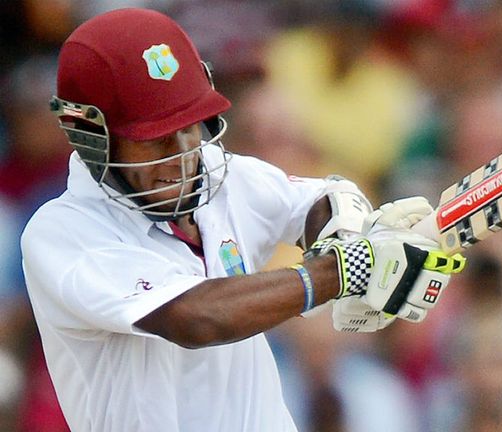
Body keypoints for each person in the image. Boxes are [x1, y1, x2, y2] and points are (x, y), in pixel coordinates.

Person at [20, 8, 463, 432]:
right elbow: (195, 317)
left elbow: (317, 201)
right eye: (153, 139)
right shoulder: (64, 233)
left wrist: (353, 235)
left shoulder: (217, 173)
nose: (181, 156)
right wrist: (344, 271)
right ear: (89, 135)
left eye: (189, 126)